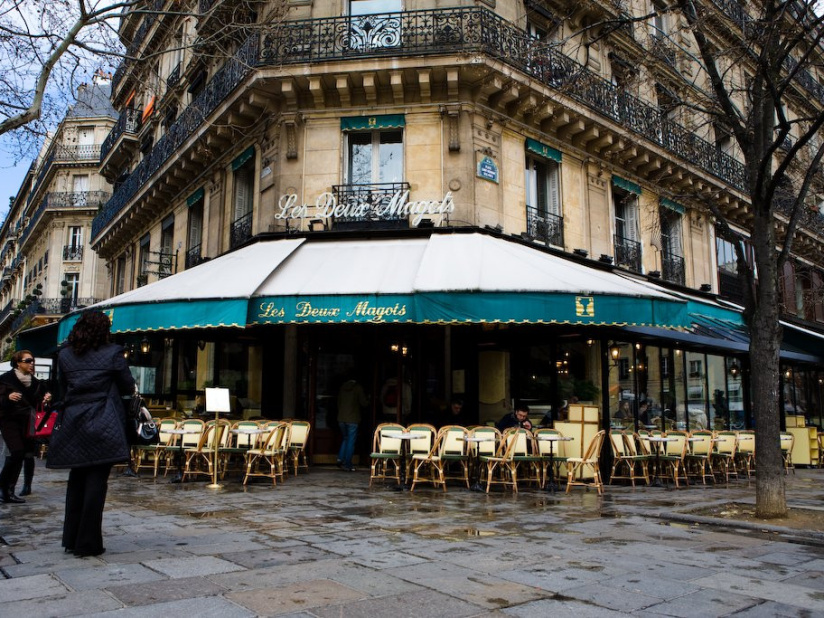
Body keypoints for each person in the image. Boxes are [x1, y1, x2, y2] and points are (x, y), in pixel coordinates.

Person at [46, 311, 135, 557]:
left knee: (77, 478)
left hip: (74, 418)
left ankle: (71, 539)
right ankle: (88, 542)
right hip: (104, 416)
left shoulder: (64, 354)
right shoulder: (113, 352)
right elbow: (128, 385)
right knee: (97, 480)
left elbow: (61, 389)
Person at [0, 350, 51, 504]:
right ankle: (4, 486)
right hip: (9, 420)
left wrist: (47, 397)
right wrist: (7, 397)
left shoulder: (35, 382)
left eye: (32, 360)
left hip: (27, 421)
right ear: (18, 362)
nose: (32, 363)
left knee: (22, 455)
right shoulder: (5, 379)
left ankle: (8, 491)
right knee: (16, 452)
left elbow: (42, 399)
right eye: (28, 360)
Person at [336, 375, 367, 472]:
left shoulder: (342, 387)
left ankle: (340, 458)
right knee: (351, 441)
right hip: (352, 419)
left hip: (341, 418)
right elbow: (364, 403)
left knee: (345, 438)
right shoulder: (358, 388)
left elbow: (338, 403)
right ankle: (347, 464)